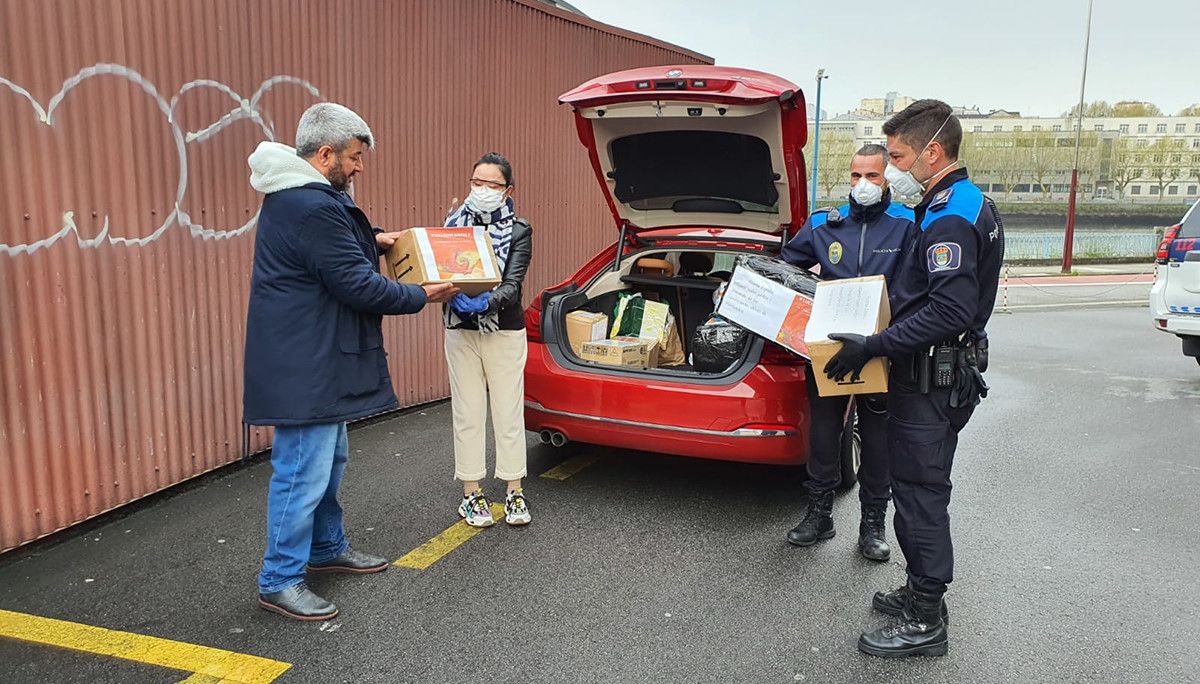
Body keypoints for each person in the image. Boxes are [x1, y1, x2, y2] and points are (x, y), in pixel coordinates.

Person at [244, 102, 457, 621]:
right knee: (301, 471)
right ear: (324, 155)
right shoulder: (311, 207)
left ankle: (325, 546)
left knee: (329, 461)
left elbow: (337, 246)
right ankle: (279, 578)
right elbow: (356, 284)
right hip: (306, 365)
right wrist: (422, 294)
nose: (360, 166)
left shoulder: (304, 197)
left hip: (315, 359)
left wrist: (375, 237)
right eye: (355, 158)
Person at [822, 100, 1003, 658]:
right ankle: (919, 591)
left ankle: (926, 618)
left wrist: (872, 346)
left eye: (897, 156)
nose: (893, 168)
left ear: (933, 151)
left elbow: (949, 311)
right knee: (913, 489)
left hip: (932, 378)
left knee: (921, 495)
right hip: (931, 373)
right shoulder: (958, 203)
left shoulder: (950, 214)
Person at [780, 144, 916, 562]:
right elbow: (788, 268)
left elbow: (918, 287)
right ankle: (819, 515)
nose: (862, 185)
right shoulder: (824, 224)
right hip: (830, 349)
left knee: (878, 440)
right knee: (824, 433)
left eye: (872, 176)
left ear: (887, 178)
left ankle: (872, 524)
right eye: (856, 176)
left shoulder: (908, 224)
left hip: (881, 350)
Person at [441, 153, 534, 528]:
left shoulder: (519, 229)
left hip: (504, 329)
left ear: (507, 190)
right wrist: (451, 294)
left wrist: (485, 302)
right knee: (468, 412)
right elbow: (440, 267)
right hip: (459, 329)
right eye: (476, 183)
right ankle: (472, 494)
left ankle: (514, 491)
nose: (481, 191)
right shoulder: (452, 224)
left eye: (491, 185)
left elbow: (513, 284)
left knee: (508, 412)